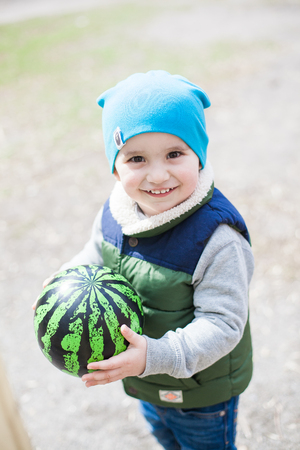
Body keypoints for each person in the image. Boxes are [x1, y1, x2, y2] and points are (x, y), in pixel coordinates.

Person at [40, 71, 255, 450]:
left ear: (199, 156)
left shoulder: (218, 239)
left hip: (203, 394)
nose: (158, 175)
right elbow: (96, 254)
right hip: (146, 382)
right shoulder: (116, 212)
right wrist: (64, 280)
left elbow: (223, 324)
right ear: (114, 166)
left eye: (175, 154)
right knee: (165, 439)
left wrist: (153, 356)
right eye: (136, 158)